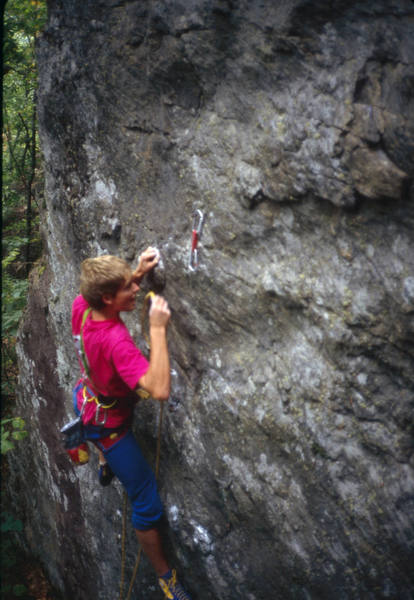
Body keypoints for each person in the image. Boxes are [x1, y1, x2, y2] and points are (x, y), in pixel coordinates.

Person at [71, 248, 192, 600]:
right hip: (110, 424)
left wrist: (137, 272)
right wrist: (156, 328)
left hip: (87, 398)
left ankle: (105, 461)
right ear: (109, 298)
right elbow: (159, 389)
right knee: (145, 499)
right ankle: (165, 577)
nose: (136, 290)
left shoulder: (83, 306)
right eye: (129, 287)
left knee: (103, 433)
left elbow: (104, 297)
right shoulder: (115, 341)